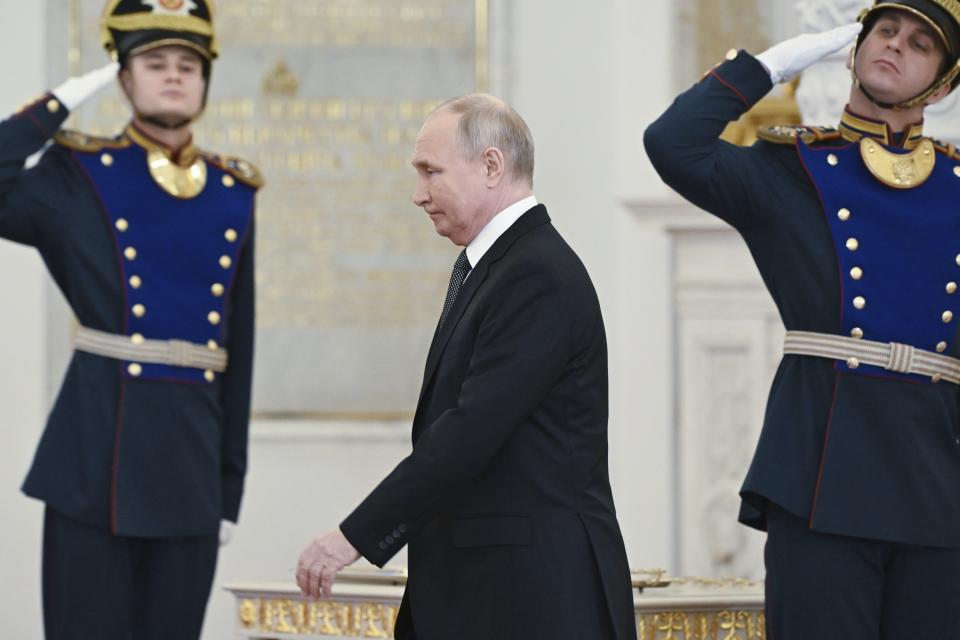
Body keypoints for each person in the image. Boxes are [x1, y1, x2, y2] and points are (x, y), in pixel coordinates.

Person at [645, 1, 960, 637]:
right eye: (885, 31)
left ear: (945, 82)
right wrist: (771, 65)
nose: (895, 46)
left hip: (938, 484)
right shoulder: (793, 170)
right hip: (823, 476)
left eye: (920, 43)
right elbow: (671, 143)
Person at [296, 94, 636, 640]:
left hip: (533, 598)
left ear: (492, 166)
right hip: (491, 591)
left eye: (431, 172)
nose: (418, 195)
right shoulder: (500, 267)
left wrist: (352, 537)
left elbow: (469, 429)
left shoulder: (535, 273)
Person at [0, 1, 261, 637]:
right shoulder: (79, 175)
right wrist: (59, 101)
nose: (174, 75)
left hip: (189, 469)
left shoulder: (234, 191)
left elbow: (239, 350)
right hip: (95, 464)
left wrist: (229, 489)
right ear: (122, 78)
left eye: (188, 64)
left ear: (204, 80)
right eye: (153, 62)